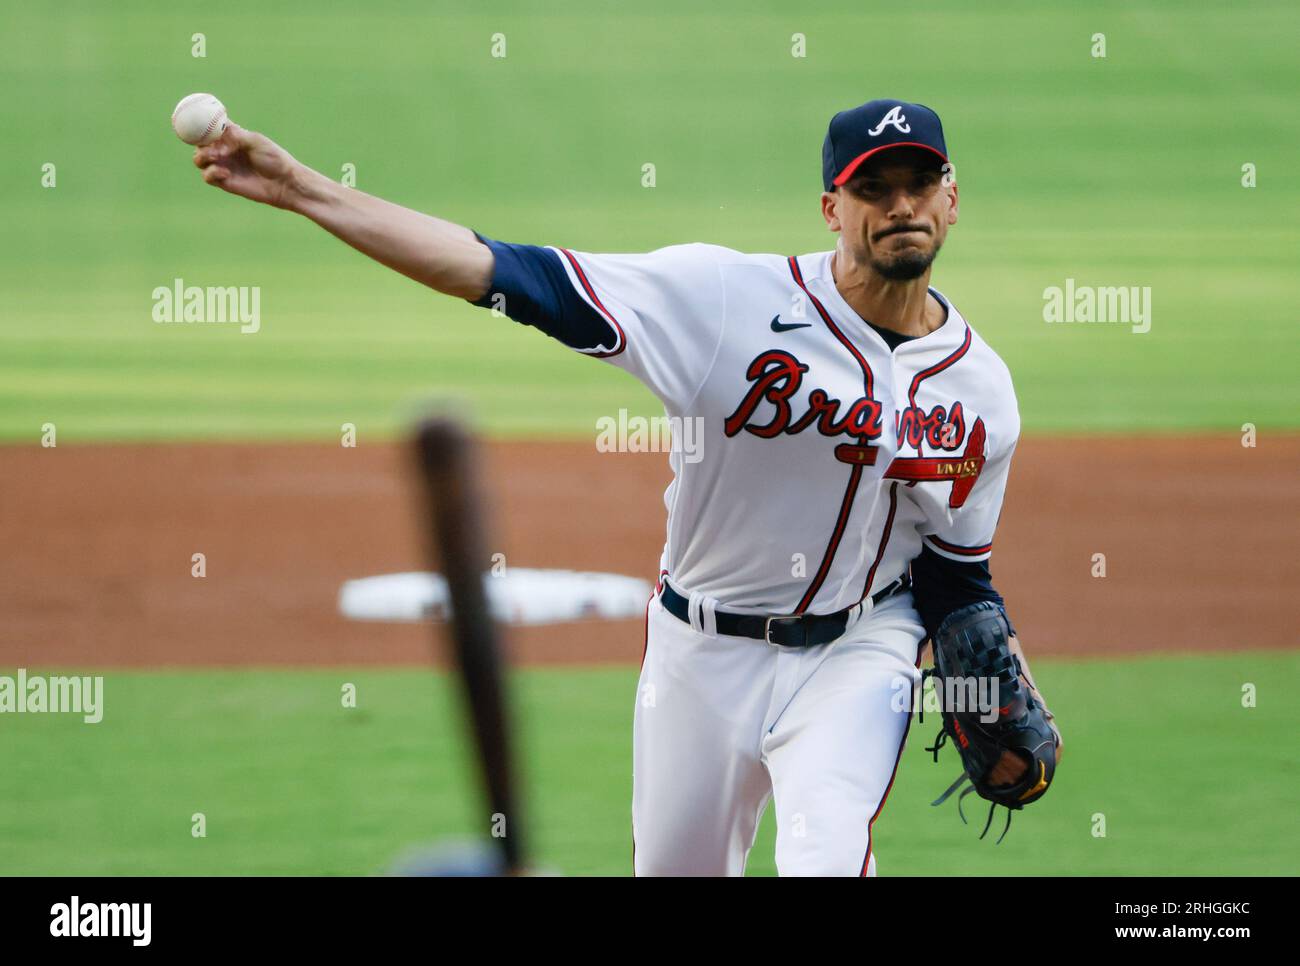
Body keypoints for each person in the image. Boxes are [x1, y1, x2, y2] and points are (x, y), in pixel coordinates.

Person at [191, 97, 1060, 876]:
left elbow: (957, 575)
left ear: (951, 197)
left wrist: (997, 676)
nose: (901, 206)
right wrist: (305, 189)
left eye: (920, 182)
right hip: (699, 652)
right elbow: (504, 273)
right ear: (834, 208)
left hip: (856, 654)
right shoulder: (726, 301)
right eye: (875, 189)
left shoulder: (980, 392)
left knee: (825, 851)